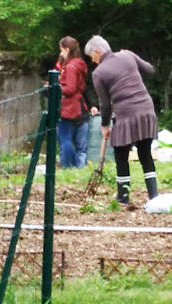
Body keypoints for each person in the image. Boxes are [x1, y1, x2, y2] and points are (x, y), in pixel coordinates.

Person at [84, 35, 159, 204]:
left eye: (92, 57)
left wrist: (104, 125)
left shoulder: (99, 73)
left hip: (126, 115)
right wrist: (131, 55)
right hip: (147, 109)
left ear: (97, 52)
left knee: (120, 154)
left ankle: (123, 198)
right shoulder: (127, 55)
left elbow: (105, 105)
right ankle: (154, 196)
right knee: (145, 153)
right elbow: (150, 70)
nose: (94, 61)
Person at [56, 36, 91, 168]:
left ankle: (69, 167)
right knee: (81, 145)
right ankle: (80, 169)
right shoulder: (79, 63)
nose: (60, 54)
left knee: (65, 140)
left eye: (61, 50)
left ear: (66, 49)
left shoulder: (70, 67)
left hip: (69, 108)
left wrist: (56, 87)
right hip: (80, 107)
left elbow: (70, 88)